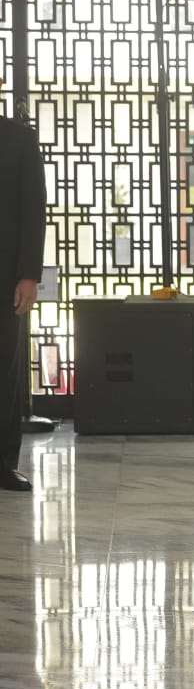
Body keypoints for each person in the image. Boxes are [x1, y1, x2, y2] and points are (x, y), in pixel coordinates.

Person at [0, 79, 46, 493]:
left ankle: (2, 464)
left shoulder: (19, 139)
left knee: (5, 368)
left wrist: (29, 274)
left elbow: (34, 209)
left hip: (5, 275)